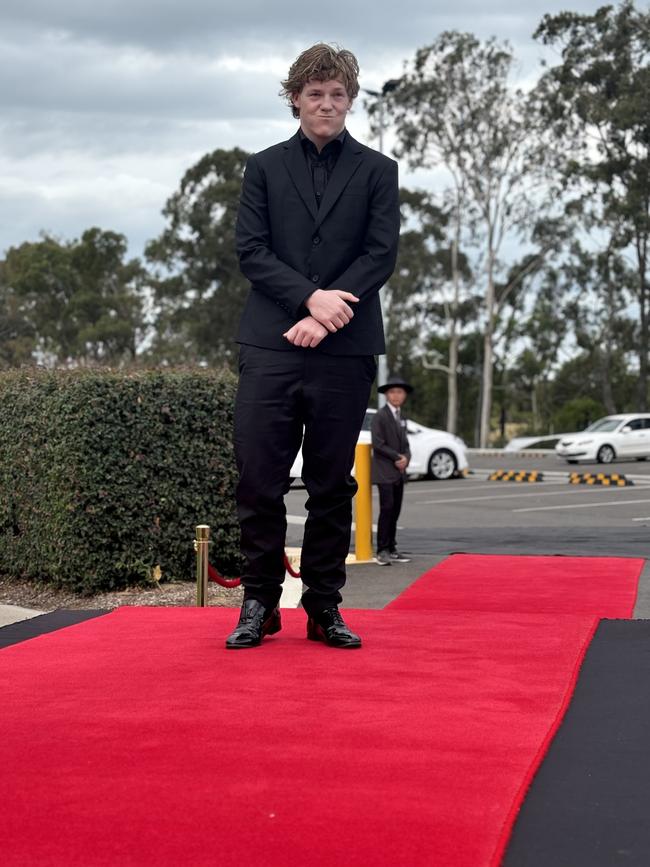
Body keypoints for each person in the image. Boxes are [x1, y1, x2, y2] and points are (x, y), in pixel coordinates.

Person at [226, 43, 400, 649]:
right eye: (315, 93)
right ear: (295, 98)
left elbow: (380, 255)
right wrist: (309, 301)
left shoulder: (379, 170)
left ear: (350, 100)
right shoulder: (264, 167)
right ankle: (259, 604)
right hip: (269, 344)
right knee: (258, 479)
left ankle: (324, 607)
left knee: (333, 483)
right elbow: (252, 252)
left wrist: (326, 317)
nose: (326, 103)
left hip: (345, 350)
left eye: (337, 94)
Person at [371, 376, 413, 566]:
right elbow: (378, 444)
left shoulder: (401, 417)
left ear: (404, 395)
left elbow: (406, 444)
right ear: (387, 395)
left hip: (398, 472)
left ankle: (392, 547)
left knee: (395, 510)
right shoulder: (380, 416)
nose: (396, 395)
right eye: (393, 392)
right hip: (385, 471)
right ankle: (382, 550)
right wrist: (397, 458)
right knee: (386, 510)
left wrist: (406, 458)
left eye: (400, 392)